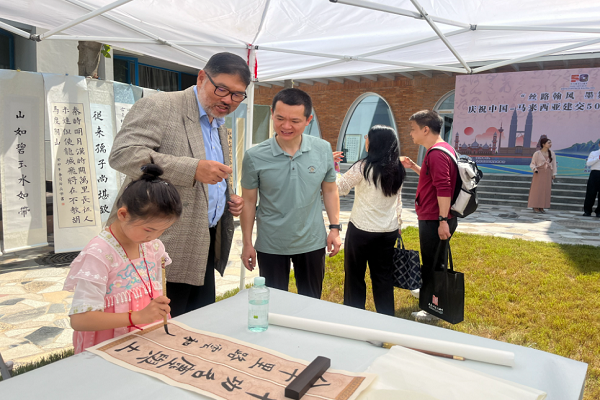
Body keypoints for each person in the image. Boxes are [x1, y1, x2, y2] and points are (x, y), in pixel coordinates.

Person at [109, 52, 249, 317]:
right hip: (159, 244)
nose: (228, 100)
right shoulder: (161, 106)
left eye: (237, 95)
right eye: (221, 89)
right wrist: (192, 169)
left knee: (197, 324)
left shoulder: (217, 123)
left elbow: (210, 175)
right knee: (158, 331)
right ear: (201, 77)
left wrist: (224, 198)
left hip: (203, 241)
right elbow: (123, 154)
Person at [64, 164, 182, 353]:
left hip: (145, 341)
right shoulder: (99, 254)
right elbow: (80, 319)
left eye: (163, 230)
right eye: (149, 229)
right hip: (107, 346)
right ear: (123, 214)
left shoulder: (153, 247)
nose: (155, 236)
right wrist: (136, 317)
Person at [240, 88, 342, 299]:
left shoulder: (322, 149)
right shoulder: (254, 156)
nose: (286, 126)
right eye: (280, 118)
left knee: (311, 302)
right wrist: (248, 243)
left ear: (308, 120)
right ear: (271, 113)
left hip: (312, 241)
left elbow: (330, 189)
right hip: (271, 244)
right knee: (275, 304)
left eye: (295, 121)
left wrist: (334, 228)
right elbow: (249, 202)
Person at [336, 125, 405, 315]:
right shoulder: (397, 168)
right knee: (383, 278)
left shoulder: (363, 166)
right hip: (388, 231)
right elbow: (398, 199)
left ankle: (354, 319)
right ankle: (386, 321)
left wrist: (332, 169)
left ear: (374, 142)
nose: (365, 139)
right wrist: (399, 223)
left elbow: (340, 188)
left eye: (368, 136)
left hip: (361, 230)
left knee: (355, 276)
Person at [401, 110, 458, 323]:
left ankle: (435, 308)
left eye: (413, 129)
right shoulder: (442, 150)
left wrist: (443, 220)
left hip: (436, 218)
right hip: (435, 217)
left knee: (435, 264)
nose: (410, 134)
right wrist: (415, 167)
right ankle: (429, 293)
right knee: (434, 261)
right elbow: (433, 179)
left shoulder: (436, 153)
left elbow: (444, 188)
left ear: (426, 129)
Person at [528, 138, 557, 214]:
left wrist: (554, 173)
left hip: (547, 173)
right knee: (537, 189)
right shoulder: (537, 153)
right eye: (548, 143)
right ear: (543, 144)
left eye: (550, 143)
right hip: (539, 173)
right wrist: (535, 169)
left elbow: (554, 164)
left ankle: (542, 206)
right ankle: (535, 206)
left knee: (545, 190)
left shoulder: (552, 153)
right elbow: (532, 163)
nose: (550, 144)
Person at [583, 141, 600, 217]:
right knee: (590, 193)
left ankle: (599, 212)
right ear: (599, 145)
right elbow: (588, 163)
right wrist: (598, 158)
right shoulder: (594, 153)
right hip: (594, 174)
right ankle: (587, 211)